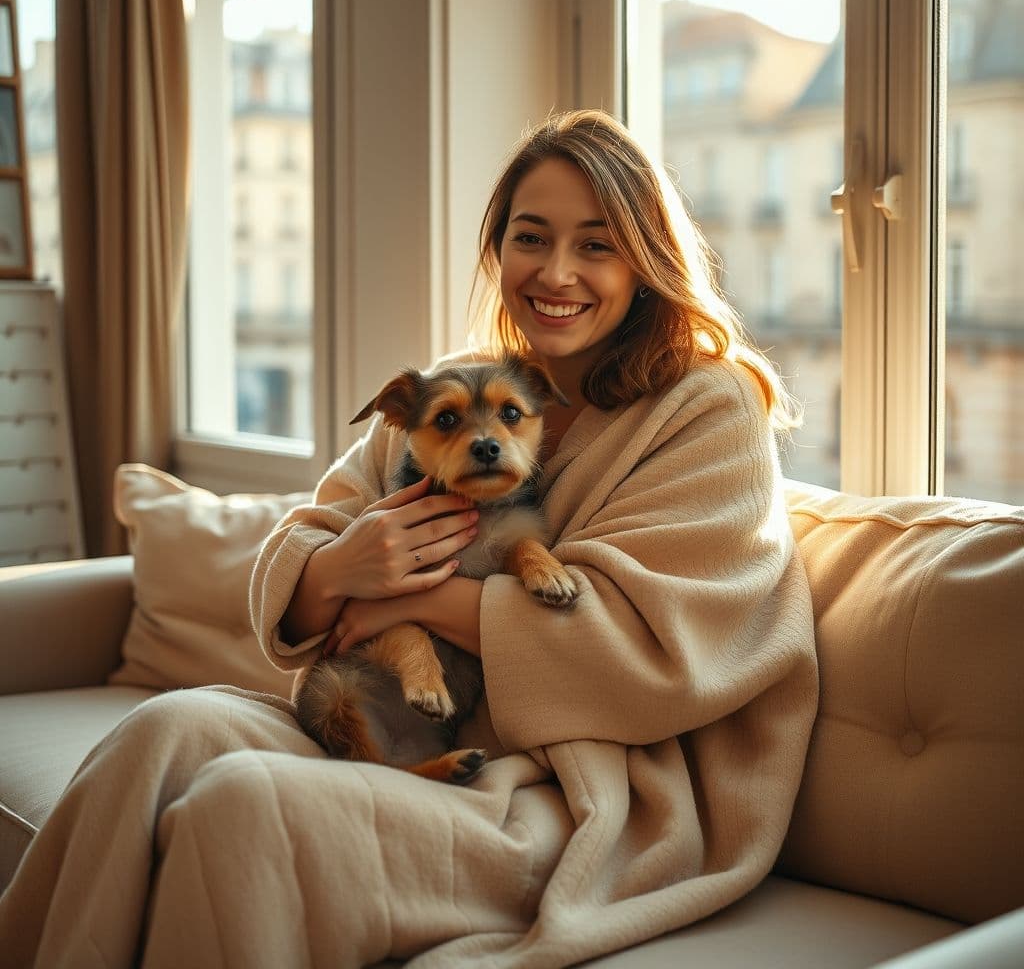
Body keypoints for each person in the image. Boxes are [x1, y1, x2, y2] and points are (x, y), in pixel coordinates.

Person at [0, 110, 818, 968]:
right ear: (498, 250)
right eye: (530, 238)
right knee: (162, 732)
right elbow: (316, 538)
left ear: (646, 258)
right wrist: (339, 568)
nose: (557, 272)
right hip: (396, 728)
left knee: (243, 804)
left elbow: (656, 650)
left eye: (598, 245)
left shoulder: (705, 407)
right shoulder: (465, 384)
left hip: (578, 787)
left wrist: (418, 592)